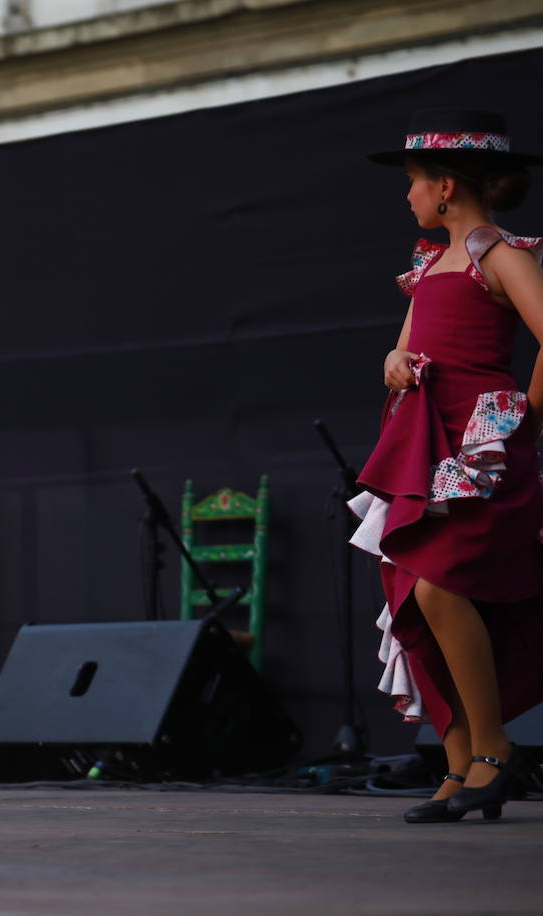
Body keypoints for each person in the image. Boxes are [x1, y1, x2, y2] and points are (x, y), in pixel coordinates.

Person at [350, 109, 543, 823]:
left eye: (413, 184)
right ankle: (461, 763)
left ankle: (494, 749)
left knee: (440, 585)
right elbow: (402, 349)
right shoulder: (432, 262)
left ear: (447, 188)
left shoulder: (503, 254)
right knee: (413, 595)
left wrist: (524, 414)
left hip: (478, 436)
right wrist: (396, 363)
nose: (407, 197)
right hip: (423, 437)